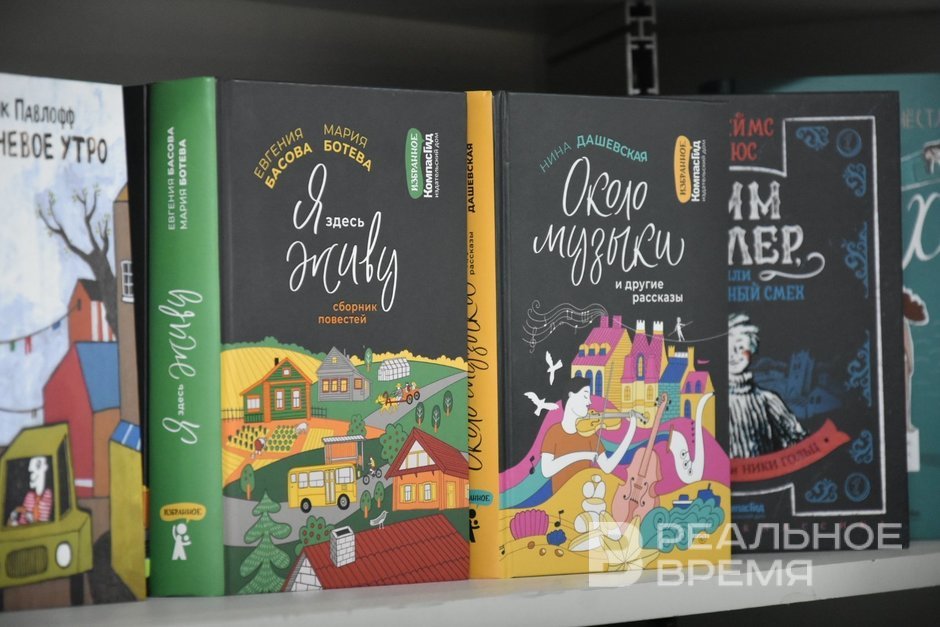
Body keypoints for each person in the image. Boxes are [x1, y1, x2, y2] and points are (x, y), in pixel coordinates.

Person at [728, 313, 807, 458]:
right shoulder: (711, 401)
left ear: (752, 349)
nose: (734, 355)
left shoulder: (767, 400)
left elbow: (795, 439)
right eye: (728, 348)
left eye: (740, 347)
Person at [540, 378, 638, 493]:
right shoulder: (554, 433)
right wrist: (584, 455)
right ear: (571, 395)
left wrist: (631, 430)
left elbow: (608, 467)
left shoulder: (590, 434)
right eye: (585, 396)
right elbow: (546, 471)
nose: (589, 402)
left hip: (584, 497)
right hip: (561, 499)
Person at [8, 456, 53, 526]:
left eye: (37, 465)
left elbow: (40, 523)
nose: (30, 469)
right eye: (30, 466)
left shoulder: (48, 494)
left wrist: (25, 513)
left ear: (46, 468)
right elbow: (22, 521)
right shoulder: (29, 495)